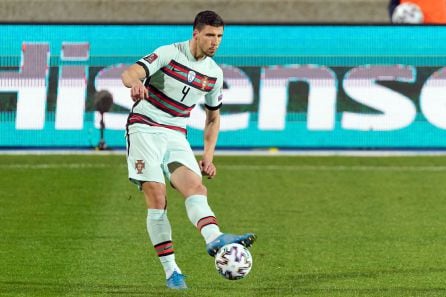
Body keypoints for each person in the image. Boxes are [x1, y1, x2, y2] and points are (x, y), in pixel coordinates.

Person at [120, 10, 256, 290]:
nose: (215, 42)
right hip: (145, 126)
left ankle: (214, 239)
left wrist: (208, 156)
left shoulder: (214, 74)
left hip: (176, 134)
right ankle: (172, 272)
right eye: (209, 35)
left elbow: (213, 117)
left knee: (196, 188)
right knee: (157, 195)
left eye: (219, 36)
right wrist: (135, 83)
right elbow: (130, 72)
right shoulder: (169, 54)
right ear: (195, 33)